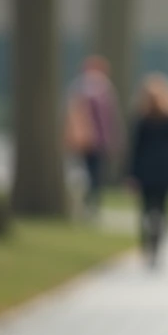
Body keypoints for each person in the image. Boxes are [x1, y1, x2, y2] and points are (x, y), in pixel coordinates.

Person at [128, 73, 168, 268]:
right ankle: (157, 246)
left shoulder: (142, 120)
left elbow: (135, 149)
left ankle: (148, 247)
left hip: (146, 172)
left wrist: (131, 174)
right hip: (165, 172)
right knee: (162, 210)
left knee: (146, 211)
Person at [64, 55, 122, 218]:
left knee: (91, 175)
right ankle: (90, 205)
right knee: (92, 175)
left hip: (91, 141)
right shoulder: (97, 89)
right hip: (91, 140)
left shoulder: (87, 88)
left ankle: (90, 205)